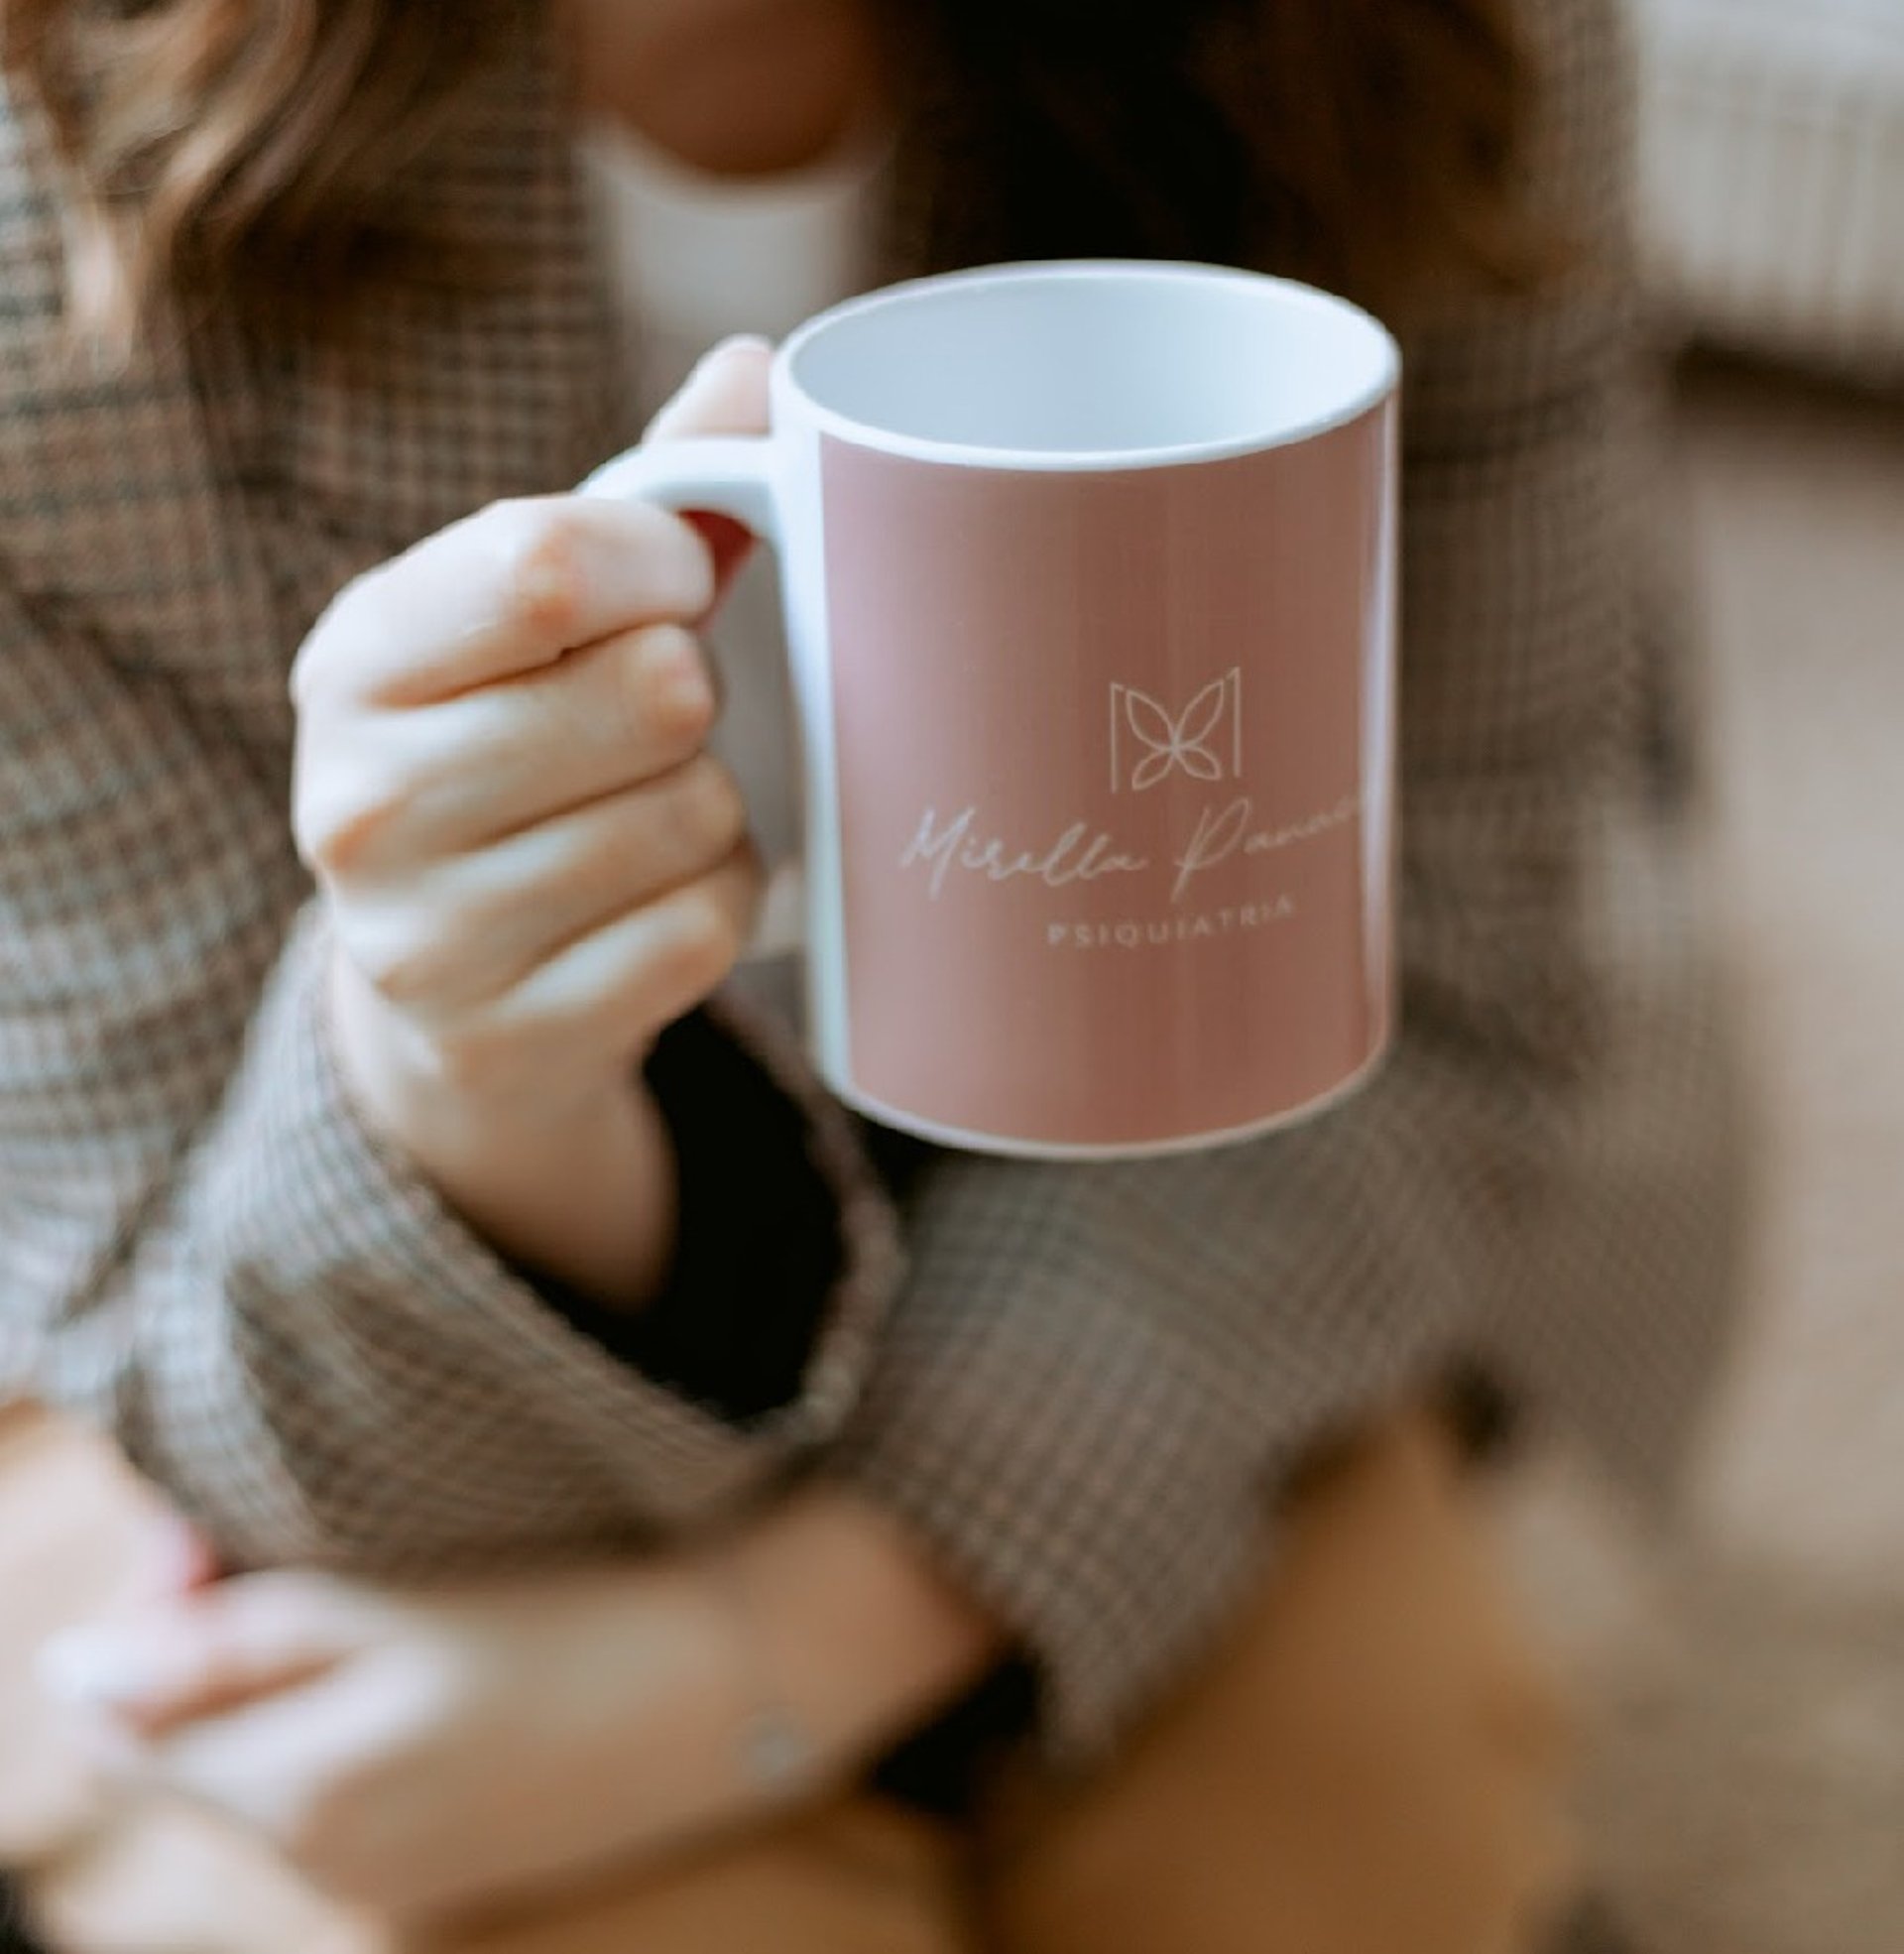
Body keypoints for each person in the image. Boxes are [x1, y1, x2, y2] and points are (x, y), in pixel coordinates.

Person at [0, 0, 1742, 1945]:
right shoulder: (42, 212)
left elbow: (1463, 965)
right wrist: (444, 1068)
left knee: (1344, 1837)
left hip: (1163, 1222)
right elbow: (241, 1384)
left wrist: (782, 1652)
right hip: (245, 1326)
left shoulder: (1436, 43)